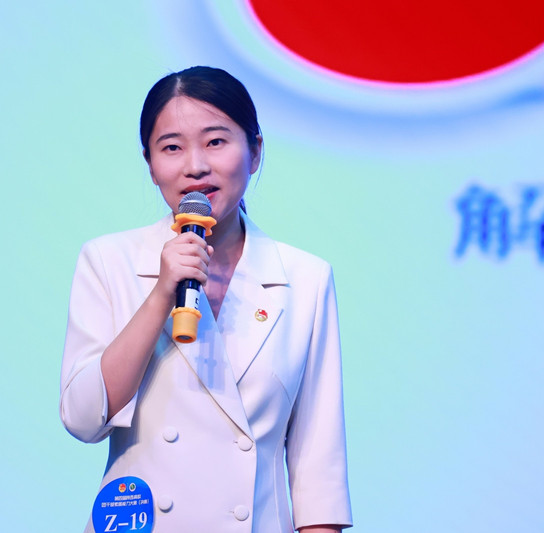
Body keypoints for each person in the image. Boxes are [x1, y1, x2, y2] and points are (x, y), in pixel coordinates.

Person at [60, 66, 352, 532]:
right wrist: (162, 292)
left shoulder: (305, 278)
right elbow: (82, 419)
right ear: (150, 164)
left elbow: (318, 469)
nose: (195, 166)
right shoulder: (108, 261)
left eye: (215, 141)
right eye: (172, 147)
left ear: (255, 151)